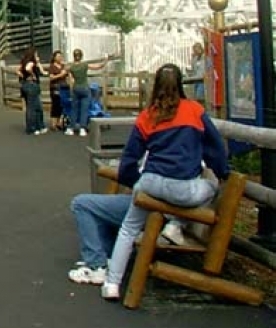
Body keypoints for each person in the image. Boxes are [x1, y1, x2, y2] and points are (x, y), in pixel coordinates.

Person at [100, 63, 229, 301]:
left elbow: (130, 158)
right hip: (184, 187)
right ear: (180, 84)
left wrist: (134, 181)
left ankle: (112, 283)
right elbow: (215, 148)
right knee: (210, 186)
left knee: (128, 229)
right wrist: (222, 171)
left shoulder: (148, 115)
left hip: (151, 182)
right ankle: (175, 224)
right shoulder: (195, 111)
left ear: (156, 85)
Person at [67, 192, 186, 286]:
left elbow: (129, 173)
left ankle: (96, 266)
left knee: (81, 203)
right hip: (165, 209)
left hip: (152, 206)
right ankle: (106, 256)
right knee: (103, 206)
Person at [65, 49, 111, 137]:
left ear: (74, 56)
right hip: (85, 88)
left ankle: (71, 128)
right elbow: (98, 67)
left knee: (74, 109)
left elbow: (70, 80)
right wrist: (106, 60)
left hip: (76, 88)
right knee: (84, 109)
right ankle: (83, 129)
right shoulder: (85, 65)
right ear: (81, 56)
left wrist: (71, 90)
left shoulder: (71, 67)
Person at [17, 48, 47, 135]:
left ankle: (39, 126)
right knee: (32, 108)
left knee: (37, 107)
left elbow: (18, 70)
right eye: (36, 55)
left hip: (25, 85)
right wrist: (32, 75)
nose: (38, 57)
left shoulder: (24, 62)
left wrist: (22, 76)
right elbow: (27, 68)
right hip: (31, 85)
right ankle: (32, 128)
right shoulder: (30, 63)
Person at [47, 50, 69, 132]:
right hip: (55, 88)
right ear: (54, 58)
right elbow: (51, 77)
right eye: (58, 56)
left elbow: (68, 76)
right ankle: (53, 123)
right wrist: (61, 74)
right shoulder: (52, 67)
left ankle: (59, 123)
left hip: (64, 88)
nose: (60, 58)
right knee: (55, 105)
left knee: (61, 105)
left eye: (61, 56)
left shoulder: (63, 66)